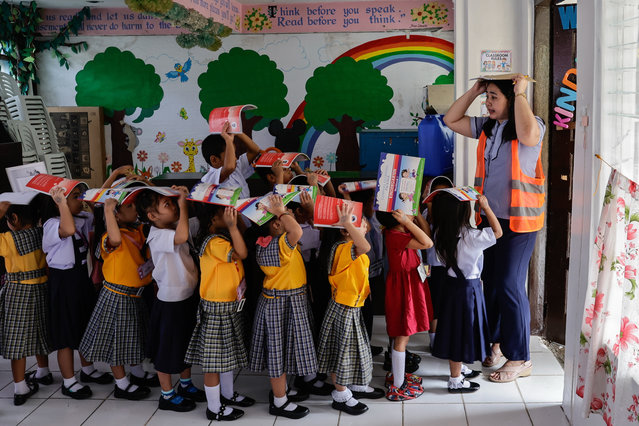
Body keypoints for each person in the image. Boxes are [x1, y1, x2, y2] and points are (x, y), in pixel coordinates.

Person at [443, 73, 545, 382]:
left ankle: (520, 357)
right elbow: (451, 119)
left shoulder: (531, 125)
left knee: (511, 284)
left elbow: (528, 135)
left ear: (511, 100)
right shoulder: (488, 128)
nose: (487, 103)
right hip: (491, 218)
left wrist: (521, 93)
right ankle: (499, 343)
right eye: (487, 97)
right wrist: (475, 89)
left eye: (493, 97)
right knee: (493, 282)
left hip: (521, 220)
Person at [248, 194, 318, 419]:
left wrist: (280, 209)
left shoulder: (274, 242)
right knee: (278, 355)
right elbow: (296, 231)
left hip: (284, 302)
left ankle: (282, 392)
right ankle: (279, 401)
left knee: (283, 350)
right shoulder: (281, 243)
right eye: (283, 215)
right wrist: (281, 210)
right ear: (277, 222)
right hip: (283, 304)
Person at [135, 187, 204, 412]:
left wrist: (186, 200)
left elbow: (194, 223)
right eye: (168, 205)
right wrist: (183, 205)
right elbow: (183, 235)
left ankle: (185, 384)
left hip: (186, 296)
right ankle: (167, 394)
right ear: (152, 216)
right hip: (170, 302)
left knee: (185, 344)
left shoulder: (173, 226)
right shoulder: (157, 235)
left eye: (173, 203)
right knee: (166, 349)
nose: (174, 207)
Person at [79, 197, 154, 401]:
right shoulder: (109, 238)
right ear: (116, 215)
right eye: (129, 207)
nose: (134, 209)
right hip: (117, 296)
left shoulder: (136, 229)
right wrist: (108, 211)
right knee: (117, 343)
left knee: (133, 339)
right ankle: (121, 384)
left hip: (134, 295)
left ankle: (137, 373)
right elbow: (116, 239)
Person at [42, 185, 113, 400]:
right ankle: (69, 381)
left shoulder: (80, 217)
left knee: (83, 324)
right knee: (66, 334)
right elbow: (68, 230)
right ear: (59, 203)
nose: (80, 200)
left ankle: (88, 369)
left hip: (80, 279)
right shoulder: (52, 224)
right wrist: (62, 202)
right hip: (62, 282)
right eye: (75, 197)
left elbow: (94, 208)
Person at [185, 204, 254, 421]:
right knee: (214, 361)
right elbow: (242, 253)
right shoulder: (214, 243)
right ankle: (214, 407)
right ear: (213, 219)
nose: (229, 214)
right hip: (217, 308)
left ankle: (227, 394)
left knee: (226, 355)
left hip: (227, 305)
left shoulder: (219, 239)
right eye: (224, 212)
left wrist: (234, 226)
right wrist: (234, 226)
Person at [430, 192, 503, 392]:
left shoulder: (440, 232)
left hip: (452, 287)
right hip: (467, 290)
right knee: (461, 333)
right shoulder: (471, 236)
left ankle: (459, 368)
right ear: (463, 212)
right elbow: (498, 232)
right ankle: (455, 381)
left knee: (456, 330)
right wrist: (486, 207)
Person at [317, 203, 385, 415]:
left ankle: (356, 385)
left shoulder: (349, 247)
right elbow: (365, 247)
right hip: (343, 308)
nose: (365, 226)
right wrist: (347, 221)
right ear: (347, 231)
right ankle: (341, 395)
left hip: (352, 306)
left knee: (357, 348)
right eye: (360, 224)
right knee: (342, 352)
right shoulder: (345, 248)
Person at [376, 209, 432, 401]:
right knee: (403, 336)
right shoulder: (395, 235)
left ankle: (398, 376)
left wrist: (411, 219)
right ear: (396, 219)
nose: (410, 214)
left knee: (403, 334)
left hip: (407, 284)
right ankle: (398, 386)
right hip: (403, 289)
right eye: (404, 213)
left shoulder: (400, 232)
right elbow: (428, 243)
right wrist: (408, 222)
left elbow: (426, 236)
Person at [0, 197, 51, 405]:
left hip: (18, 290)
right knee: (40, 331)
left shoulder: (10, 240)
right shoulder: (43, 233)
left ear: (14, 218)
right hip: (42, 287)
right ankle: (43, 371)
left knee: (17, 339)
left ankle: (20, 387)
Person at [421, 176, 454, 349]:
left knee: (447, 304)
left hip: (450, 266)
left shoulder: (453, 212)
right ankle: (434, 341)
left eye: (444, 194)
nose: (439, 197)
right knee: (433, 303)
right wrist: (429, 204)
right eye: (436, 194)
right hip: (432, 265)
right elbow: (428, 231)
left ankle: (444, 339)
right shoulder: (427, 213)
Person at [200, 121, 261, 199]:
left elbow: (255, 151)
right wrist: (228, 140)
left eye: (234, 154)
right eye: (230, 155)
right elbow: (229, 167)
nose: (235, 158)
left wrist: (238, 132)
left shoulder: (237, 166)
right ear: (214, 160)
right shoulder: (210, 177)